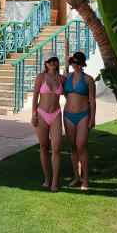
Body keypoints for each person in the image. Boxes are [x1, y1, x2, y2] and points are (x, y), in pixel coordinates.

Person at [31, 50, 65, 191]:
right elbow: (35, 97)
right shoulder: (40, 77)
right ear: (45, 63)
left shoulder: (62, 79)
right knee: (44, 147)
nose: (52, 63)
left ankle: (55, 181)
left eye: (54, 60)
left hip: (56, 114)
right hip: (41, 114)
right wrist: (34, 115)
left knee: (56, 147)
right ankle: (47, 178)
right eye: (49, 61)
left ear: (57, 62)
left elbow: (71, 94)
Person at [63, 51, 96, 190]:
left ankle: (86, 179)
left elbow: (92, 100)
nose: (75, 65)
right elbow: (63, 91)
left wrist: (92, 118)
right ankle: (77, 177)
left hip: (83, 115)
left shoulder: (88, 79)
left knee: (81, 146)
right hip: (68, 115)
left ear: (83, 64)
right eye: (73, 62)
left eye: (78, 62)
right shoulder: (67, 77)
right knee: (73, 147)